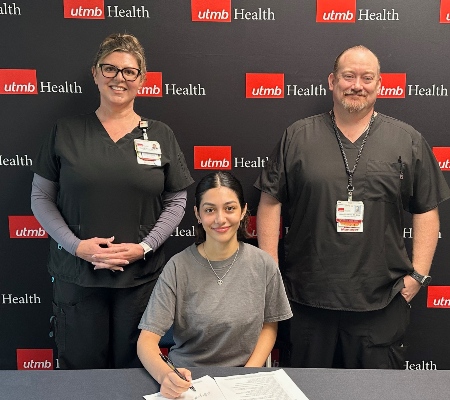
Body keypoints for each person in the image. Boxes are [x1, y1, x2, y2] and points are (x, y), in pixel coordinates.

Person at [254, 45, 450, 369]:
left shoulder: (407, 140)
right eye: (348, 76)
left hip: (381, 303)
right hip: (307, 302)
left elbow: (426, 208)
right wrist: (270, 270)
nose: (357, 85)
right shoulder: (298, 136)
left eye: (366, 77)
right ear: (332, 81)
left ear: (380, 85)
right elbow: (270, 200)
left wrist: (418, 274)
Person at [30, 33, 194, 369]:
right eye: (110, 69)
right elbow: (40, 197)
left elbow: (177, 199)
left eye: (129, 72)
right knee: (80, 375)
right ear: (95, 73)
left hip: (139, 281)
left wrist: (145, 247)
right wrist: (75, 246)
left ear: (141, 80)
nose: (119, 78)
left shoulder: (160, 134)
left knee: (137, 372)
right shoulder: (65, 131)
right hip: (77, 278)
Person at [137, 171, 292, 398]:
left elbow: (269, 325)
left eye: (229, 208)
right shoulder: (178, 267)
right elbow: (146, 341)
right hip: (189, 382)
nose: (220, 219)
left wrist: (247, 375)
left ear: (243, 211)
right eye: (210, 210)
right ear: (197, 214)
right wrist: (165, 376)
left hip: (244, 379)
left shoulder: (263, 264)